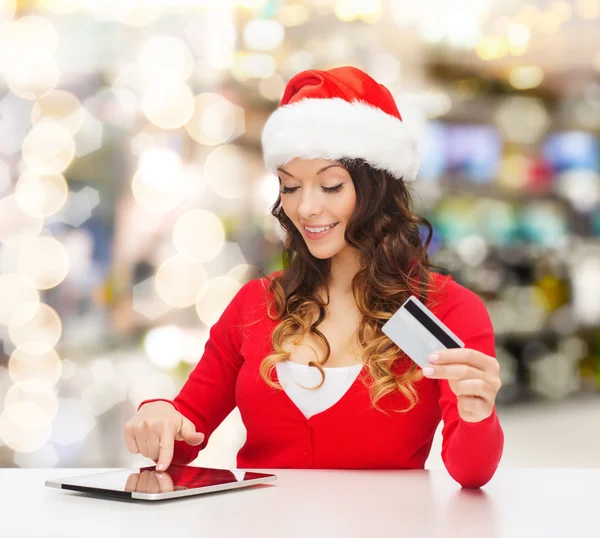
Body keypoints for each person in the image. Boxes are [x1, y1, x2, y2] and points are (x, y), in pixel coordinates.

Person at [124, 66, 504, 489]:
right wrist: (158, 413)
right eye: (289, 187)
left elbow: (471, 472)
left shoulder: (447, 310)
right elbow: (186, 428)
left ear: (378, 187)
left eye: (330, 186)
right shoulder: (255, 304)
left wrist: (476, 415)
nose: (305, 209)